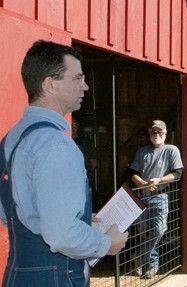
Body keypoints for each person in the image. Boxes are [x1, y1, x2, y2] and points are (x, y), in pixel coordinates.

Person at [0, 40, 128, 286]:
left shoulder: (13, 138)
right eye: (77, 78)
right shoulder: (56, 145)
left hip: (20, 273)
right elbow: (61, 235)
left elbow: (10, 213)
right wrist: (107, 244)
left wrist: (76, 217)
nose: (86, 86)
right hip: (55, 277)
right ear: (49, 84)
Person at [129, 120, 183, 278]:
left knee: (159, 230)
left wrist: (159, 180)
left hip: (160, 196)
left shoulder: (171, 150)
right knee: (145, 232)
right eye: (153, 132)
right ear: (149, 134)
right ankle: (152, 266)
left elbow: (177, 173)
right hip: (142, 196)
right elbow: (132, 173)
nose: (156, 134)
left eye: (159, 132)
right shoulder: (142, 151)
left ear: (165, 133)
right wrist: (144, 184)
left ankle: (139, 257)